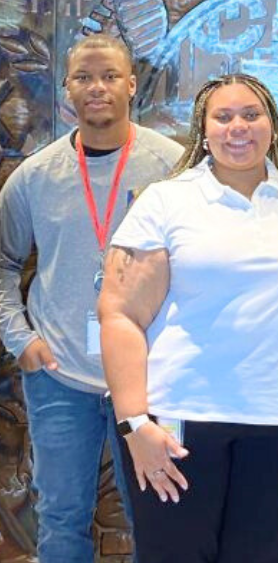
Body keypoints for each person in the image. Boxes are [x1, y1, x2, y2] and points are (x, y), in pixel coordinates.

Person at [97, 73, 278, 563]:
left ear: (271, 123)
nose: (238, 127)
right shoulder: (167, 202)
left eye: (250, 115)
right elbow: (120, 315)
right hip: (181, 423)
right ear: (202, 129)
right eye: (223, 116)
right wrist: (135, 424)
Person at [0, 34, 182, 562]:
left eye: (108, 76)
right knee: (60, 516)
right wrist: (21, 339)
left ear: (131, 84)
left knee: (160, 514)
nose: (96, 88)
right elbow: (4, 262)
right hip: (59, 375)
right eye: (83, 78)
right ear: (67, 92)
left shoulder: (173, 169)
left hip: (152, 378)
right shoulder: (33, 177)